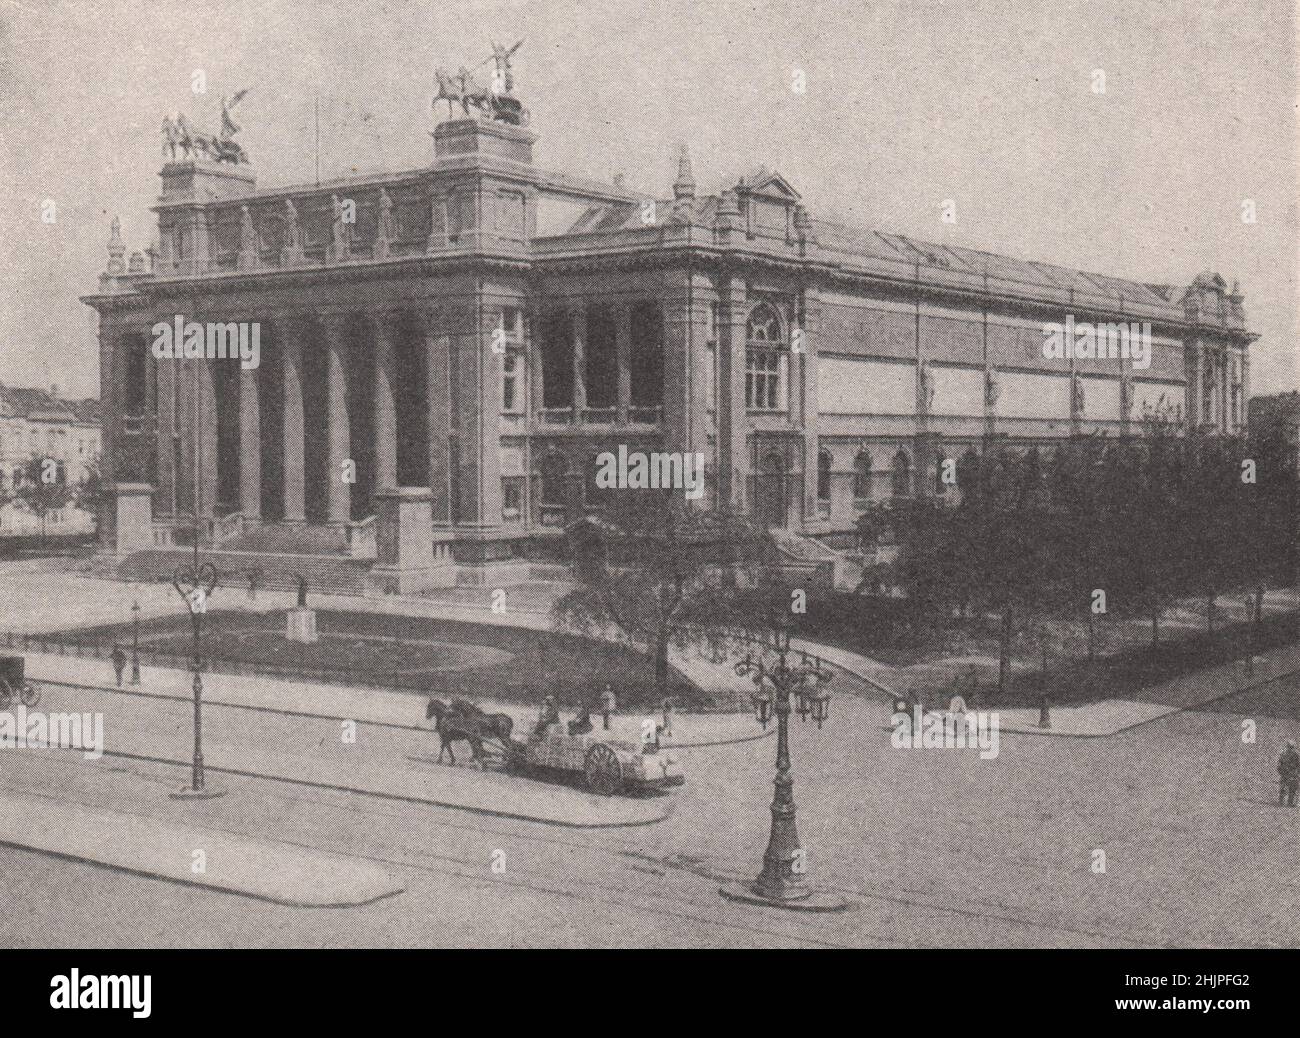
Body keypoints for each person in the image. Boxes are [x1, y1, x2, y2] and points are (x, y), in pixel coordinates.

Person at [1279, 741, 1300, 807]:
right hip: (1286, 772)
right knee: (1284, 787)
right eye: (1289, 747)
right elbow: (1280, 763)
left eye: (1291, 747)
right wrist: (1281, 771)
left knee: (1292, 789)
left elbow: (1298, 765)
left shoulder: (1297, 754)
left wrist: (1297, 773)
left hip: (1293, 773)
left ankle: (1290, 802)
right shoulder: (1284, 753)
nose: (1290, 749)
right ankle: (1282, 802)